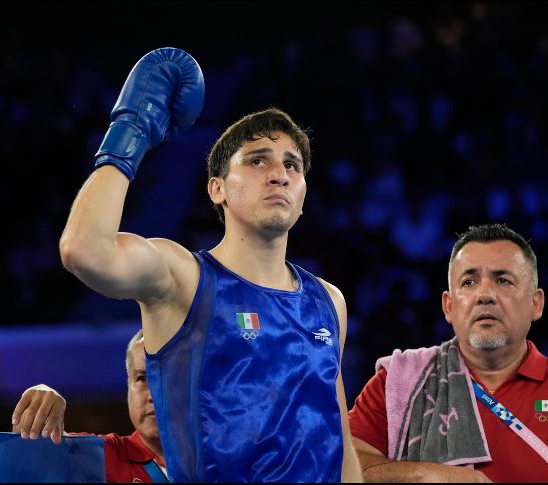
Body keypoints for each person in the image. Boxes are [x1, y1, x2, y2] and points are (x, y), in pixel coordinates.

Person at [57, 47, 362, 482]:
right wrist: (131, 130)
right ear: (217, 188)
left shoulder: (329, 301)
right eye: (258, 161)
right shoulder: (183, 277)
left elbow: (338, 439)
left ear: (303, 191)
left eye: (292, 165)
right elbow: (83, 250)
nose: (279, 174)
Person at [348, 223, 548, 483]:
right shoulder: (398, 384)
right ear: (449, 306)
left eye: (503, 280)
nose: (484, 294)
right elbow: (342, 464)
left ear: (536, 304)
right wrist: (427, 474)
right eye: (469, 282)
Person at [11, 329, 167, 483]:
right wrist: (37, 407)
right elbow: (30, 458)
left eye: (167, 378)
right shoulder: (101, 456)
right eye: (142, 378)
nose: (153, 395)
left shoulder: (192, 465)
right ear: (128, 385)